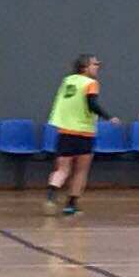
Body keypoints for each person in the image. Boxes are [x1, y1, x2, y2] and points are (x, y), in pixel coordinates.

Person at [44, 54, 120, 217]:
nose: (98, 67)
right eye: (95, 64)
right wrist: (109, 117)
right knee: (81, 171)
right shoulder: (90, 83)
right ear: (84, 67)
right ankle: (71, 205)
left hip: (65, 131)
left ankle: (51, 195)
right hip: (84, 132)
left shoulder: (67, 81)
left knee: (62, 169)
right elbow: (92, 104)